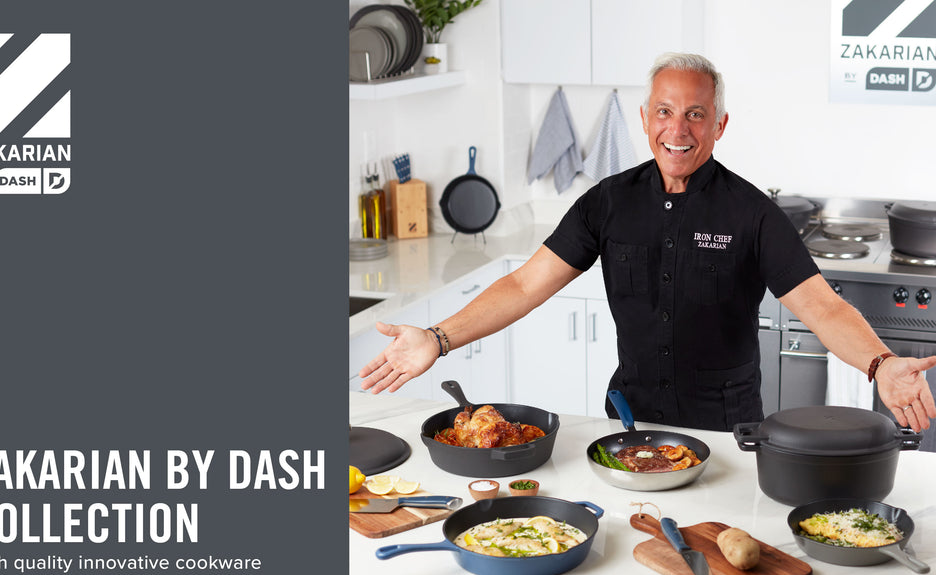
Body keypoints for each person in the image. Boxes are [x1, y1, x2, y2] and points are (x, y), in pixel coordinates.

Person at [358, 52, 936, 433]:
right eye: (664, 112)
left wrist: (880, 363)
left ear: (719, 125)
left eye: (694, 114)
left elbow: (823, 307)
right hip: (628, 423)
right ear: (644, 118)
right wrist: (438, 337)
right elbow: (524, 284)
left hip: (725, 431)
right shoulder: (607, 201)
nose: (677, 130)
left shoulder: (752, 212)